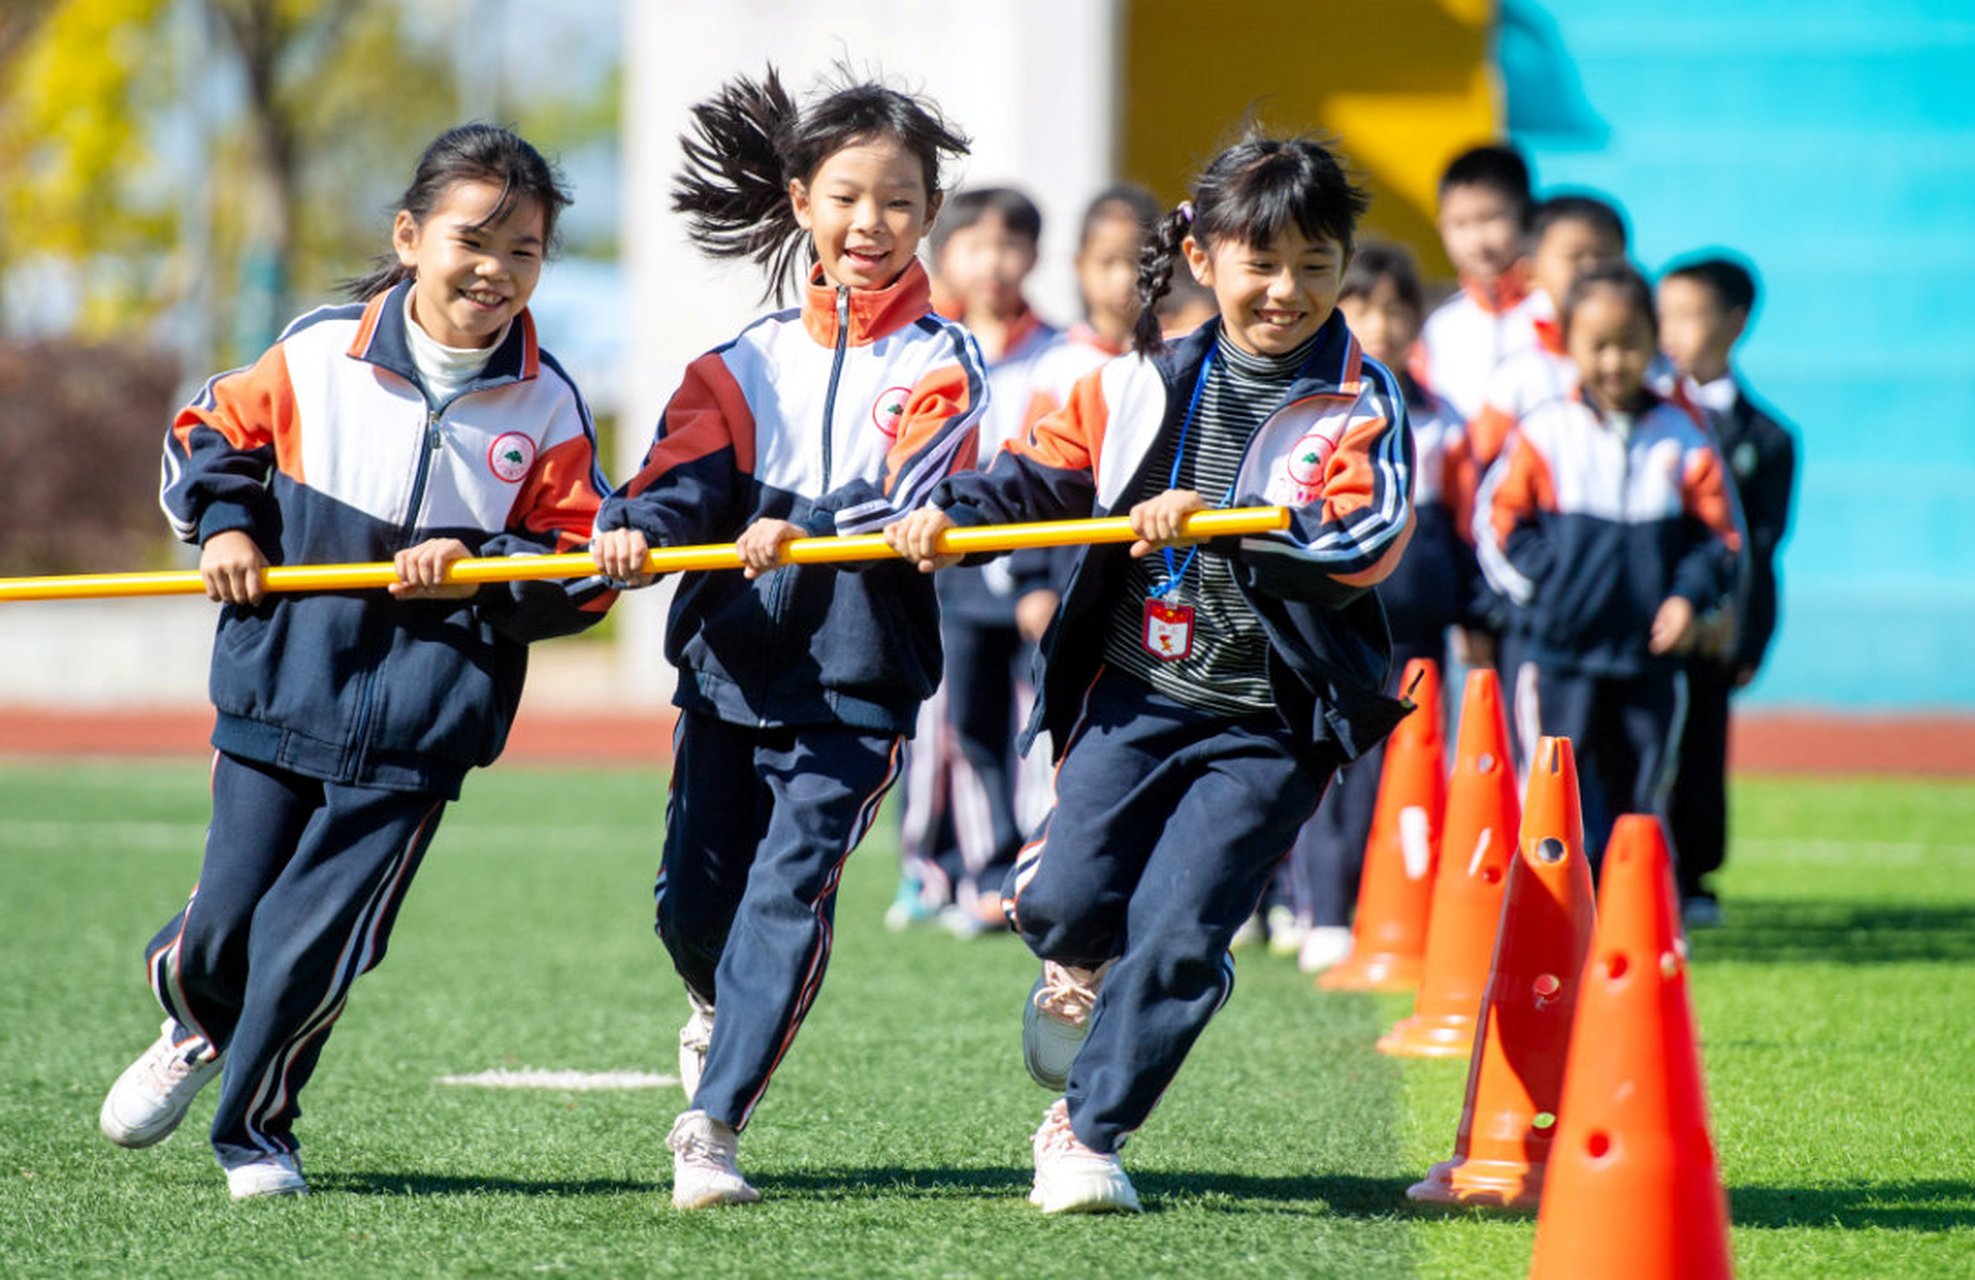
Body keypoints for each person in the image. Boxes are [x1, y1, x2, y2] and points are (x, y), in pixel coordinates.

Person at [887, 135, 1415, 1213]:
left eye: (1316, 266)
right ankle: (1072, 957)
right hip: (1134, 694)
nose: (1287, 290)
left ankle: (1087, 1128)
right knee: (1062, 899)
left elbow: (1366, 540)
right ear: (1205, 255)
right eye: (1261, 262)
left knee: (1181, 933)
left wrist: (1228, 529)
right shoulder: (1134, 380)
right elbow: (1033, 479)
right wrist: (956, 519)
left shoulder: (1361, 402)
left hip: (1271, 719)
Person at [98, 124, 614, 1199]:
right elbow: (206, 434)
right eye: (475, 239)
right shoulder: (315, 352)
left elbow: (583, 574)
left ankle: (257, 1133)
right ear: (411, 236)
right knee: (221, 936)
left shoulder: (549, 404)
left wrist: (480, 565)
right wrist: (228, 530)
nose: (497, 269)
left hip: (419, 731)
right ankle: (193, 1016)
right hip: (279, 688)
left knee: (312, 944)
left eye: (525, 250)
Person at [588, 67, 983, 1210]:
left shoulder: (943, 362)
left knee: (787, 892)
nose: (873, 224)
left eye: (900, 201)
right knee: (688, 905)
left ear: (929, 213)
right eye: (849, 196)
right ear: (802, 198)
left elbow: (907, 483)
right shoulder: (735, 363)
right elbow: (674, 481)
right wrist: (637, 529)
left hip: (857, 677)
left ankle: (712, 1120)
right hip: (727, 668)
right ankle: (717, 1008)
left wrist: (798, 522)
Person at [1484, 260, 1742, 863]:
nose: (1613, 361)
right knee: (1551, 800)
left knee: (1641, 800)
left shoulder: (1684, 438)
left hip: (1648, 660)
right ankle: (1550, 925)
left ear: (1655, 343)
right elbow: (1498, 525)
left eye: (1629, 345)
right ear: (1569, 345)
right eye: (1597, 345)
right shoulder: (1544, 433)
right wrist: (1549, 586)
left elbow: (1719, 539)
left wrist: (1688, 600)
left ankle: (1635, 929)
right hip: (1558, 656)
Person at [1284, 241, 1482, 972]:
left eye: (1399, 309)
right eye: (1364, 306)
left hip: (1422, 635)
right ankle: (1324, 909)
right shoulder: (1318, 413)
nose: (1384, 323)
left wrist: (1475, 616)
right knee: (1336, 770)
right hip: (1339, 631)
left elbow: (1468, 529)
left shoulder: (1447, 422)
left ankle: (1406, 908)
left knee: (1418, 772)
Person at [894, 187, 1059, 936]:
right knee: (942, 727)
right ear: (943, 256)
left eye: (1009, 244)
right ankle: (931, 870)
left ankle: (1009, 871)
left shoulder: (1060, 353)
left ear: (1032, 254)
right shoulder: (924, 349)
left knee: (1027, 730)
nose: (993, 262)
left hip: (1027, 572)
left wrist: (1039, 572)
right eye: (974, 245)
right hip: (946, 572)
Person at [1657, 254, 1797, 925]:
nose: (1670, 332)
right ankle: (1630, 868)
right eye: (1662, 315)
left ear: (1735, 323)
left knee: (1701, 750)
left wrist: (1744, 630)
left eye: (1687, 315)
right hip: (1648, 616)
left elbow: (1762, 548)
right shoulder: (1650, 420)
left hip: (1713, 630)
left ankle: (1693, 876)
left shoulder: (1768, 437)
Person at [1416, 143, 1540, 424]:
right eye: (1460, 224)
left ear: (1526, 216)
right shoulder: (1439, 324)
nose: (1477, 241)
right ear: (1441, 227)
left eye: (1490, 218)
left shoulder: (1551, 311)